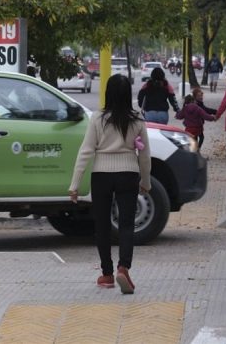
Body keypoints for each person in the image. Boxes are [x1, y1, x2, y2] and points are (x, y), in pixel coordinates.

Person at [68, 74, 151, 294]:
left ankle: (107, 274)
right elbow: (145, 154)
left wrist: (74, 184)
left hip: (101, 175)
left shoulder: (97, 118)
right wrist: (146, 181)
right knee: (126, 224)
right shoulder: (137, 119)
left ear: (108, 93)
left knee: (102, 225)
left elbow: (86, 151)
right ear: (127, 95)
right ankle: (124, 267)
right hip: (128, 174)